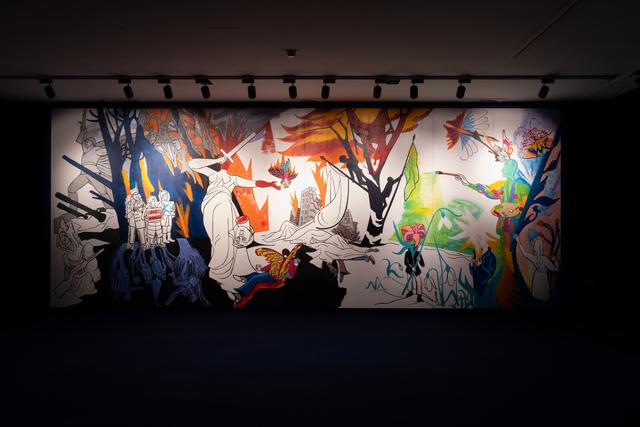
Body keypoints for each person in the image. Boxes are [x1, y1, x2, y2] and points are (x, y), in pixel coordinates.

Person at [188, 154, 280, 300]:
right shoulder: (213, 174)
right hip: (214, 204)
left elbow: (254, 183)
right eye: (223, 160)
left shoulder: (232, 179)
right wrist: (216, 160)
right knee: (222, 238)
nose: (226, 162)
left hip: (226, 204)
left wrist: (270, 184)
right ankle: (220, 274)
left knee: (234, 238)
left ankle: (236, 270)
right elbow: (192, 163)